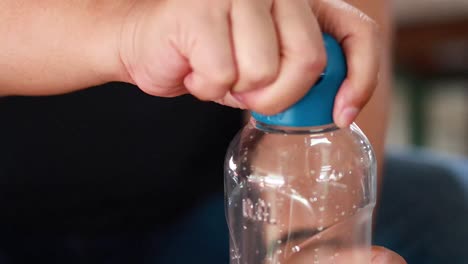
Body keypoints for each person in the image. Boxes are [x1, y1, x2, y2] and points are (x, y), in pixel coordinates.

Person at [0, 0, 404, 263]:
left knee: (445, 207)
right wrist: (127, 31)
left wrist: (302, 247)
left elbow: (336, 25)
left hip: (203, 198)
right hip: (14, 207)